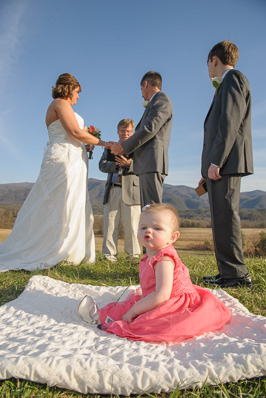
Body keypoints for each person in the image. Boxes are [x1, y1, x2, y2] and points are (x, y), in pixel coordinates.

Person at [0, 73, 110, 272]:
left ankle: (71, 249)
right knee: (54, 201)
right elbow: (75, 132)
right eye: (77, 92)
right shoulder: (59, 104)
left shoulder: (66, 106)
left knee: (71, 201)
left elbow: (76, 135)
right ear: (68, 89)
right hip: (63, 159)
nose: (78, 97)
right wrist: (104, 143)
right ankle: (47, 247)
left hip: (75, 158)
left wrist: (86, 145)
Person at [78, 203, 231, 343]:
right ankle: (102, 315)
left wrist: (135, 309)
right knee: (129, 304)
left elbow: (162, 295)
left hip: (170, 302)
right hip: (157, 295)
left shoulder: (164, 260)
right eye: (143, 227)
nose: (148, 231)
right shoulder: (152, 254)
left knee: (144, 319)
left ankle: (102, 319)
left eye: (157, 228)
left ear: (172, 237)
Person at [198, 41, 254, 288]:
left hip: (226, 163)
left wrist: (216, 161)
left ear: (214, 60)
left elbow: (229, 124)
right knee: (220, 217)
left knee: (227, 217)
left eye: (207, 64)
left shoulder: (234, 79)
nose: (208, 69)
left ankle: (238, 275)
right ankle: (226, 272)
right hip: (219, 165)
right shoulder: (227, 83)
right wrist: (206, 171)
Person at [109, 71, 173, 207]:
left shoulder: (161, 100)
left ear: (146, 84)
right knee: (147, 209)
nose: (141, 92)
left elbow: (149, 129)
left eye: (141, 88)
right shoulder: (154, 103)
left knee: (152, 208)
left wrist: (123, 146)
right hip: (146, 164)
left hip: (152, 162)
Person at [99, 119, 141, 262]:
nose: (125, 133)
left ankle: (133, 257)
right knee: (110, 224)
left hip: (132, 190)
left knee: (132, 225)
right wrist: (117, 166)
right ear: (117, 131)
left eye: (128, 131)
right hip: (113, 189)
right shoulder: (110, 147)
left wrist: (130, 164)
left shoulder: (139, 147)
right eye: (122, 131)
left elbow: (144, 166)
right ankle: (109, 256)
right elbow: (102, 165)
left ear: (132, 132)